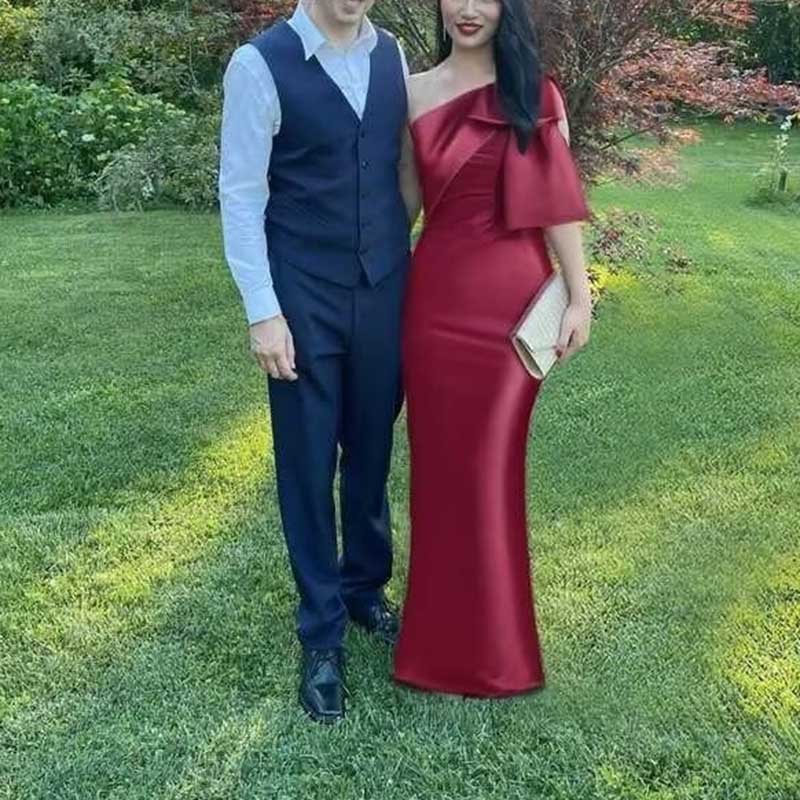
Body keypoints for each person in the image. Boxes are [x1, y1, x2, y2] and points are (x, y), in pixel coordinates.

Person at [218, 0, 411, 723]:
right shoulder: (259, 65)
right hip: (302, 297)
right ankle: (321, 634)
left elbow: (396, 170)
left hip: (384, 288)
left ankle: (364, 588)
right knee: (305, 463)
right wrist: (262, 311)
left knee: (371, 448)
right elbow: (241, 196)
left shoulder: (391, 54)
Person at [393, 0, 592, 697]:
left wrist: (580, 295)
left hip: (510, 309)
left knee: (488, 471)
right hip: (433, 306)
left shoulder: (535, 94)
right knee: (438, 475)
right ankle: (431, 652)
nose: (469, 9)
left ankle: (499, 656)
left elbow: (558, 207)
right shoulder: (411, 92)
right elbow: (403, 208)